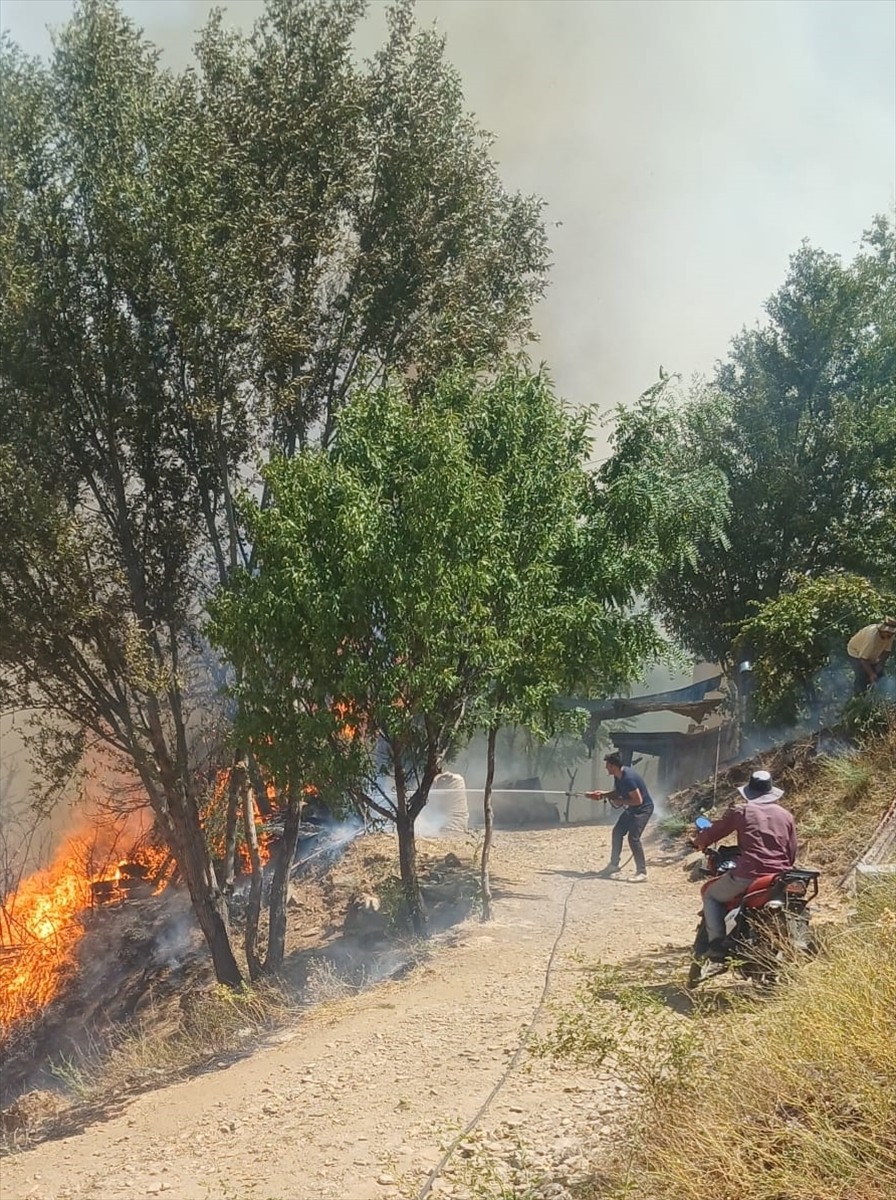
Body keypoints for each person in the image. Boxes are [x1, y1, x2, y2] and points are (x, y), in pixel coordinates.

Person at [692, 769, 796, 960]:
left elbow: (716, 831)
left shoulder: (741, 811)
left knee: (711, 895)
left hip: (749, 874)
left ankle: (717, 946)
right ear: (770, 791)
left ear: (750, 791)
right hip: (780, 877)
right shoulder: (786, 815)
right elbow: (792, 851)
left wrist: (700, 841)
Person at [586, 752, 654, 882]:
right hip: (633, 808)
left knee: (633, 838)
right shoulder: (619, 776)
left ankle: (642, 872)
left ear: (613, 766)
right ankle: (614, 865)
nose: (606, 768)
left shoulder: (629, 778)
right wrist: (602, 794)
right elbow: (619, 792)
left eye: (607, 765)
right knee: (617, 831)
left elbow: (638, 800)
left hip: (643, 809)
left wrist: (622, 802)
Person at [847, 616, 896, 695]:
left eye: (892, 633)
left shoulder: (890, 636)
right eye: (889, 633)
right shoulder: (871, 638)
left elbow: (886, 651)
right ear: (882, 630)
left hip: (871, 655)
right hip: (856, 652)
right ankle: (858, 697)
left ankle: (881, 696)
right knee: (862, 675)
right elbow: (863, 659)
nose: (891, 635)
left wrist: (880, 665)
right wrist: (871, 674)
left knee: (880, 675)